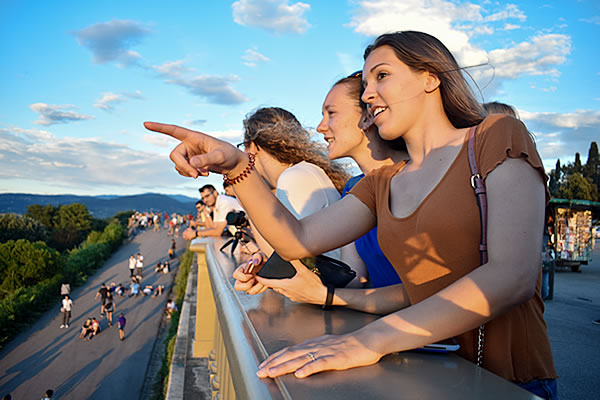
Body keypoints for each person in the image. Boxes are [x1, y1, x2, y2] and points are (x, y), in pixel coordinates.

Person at [145, 30, 557, 399]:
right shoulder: (384, 182)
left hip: (510, 382)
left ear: (431, 77)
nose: (368, 94)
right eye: (365, 84)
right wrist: (236, 165)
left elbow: (512, 275)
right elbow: (296, 239)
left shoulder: (495, 137)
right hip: (424, 375)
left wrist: (370, 339)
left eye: (382, 76)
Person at [230, 107, 358, 293]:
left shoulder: (295, 177)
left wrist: (249, 201)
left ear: (256, 147)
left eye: (244, 147)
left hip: (334, 296)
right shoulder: (303, 171)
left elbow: (287, 259)